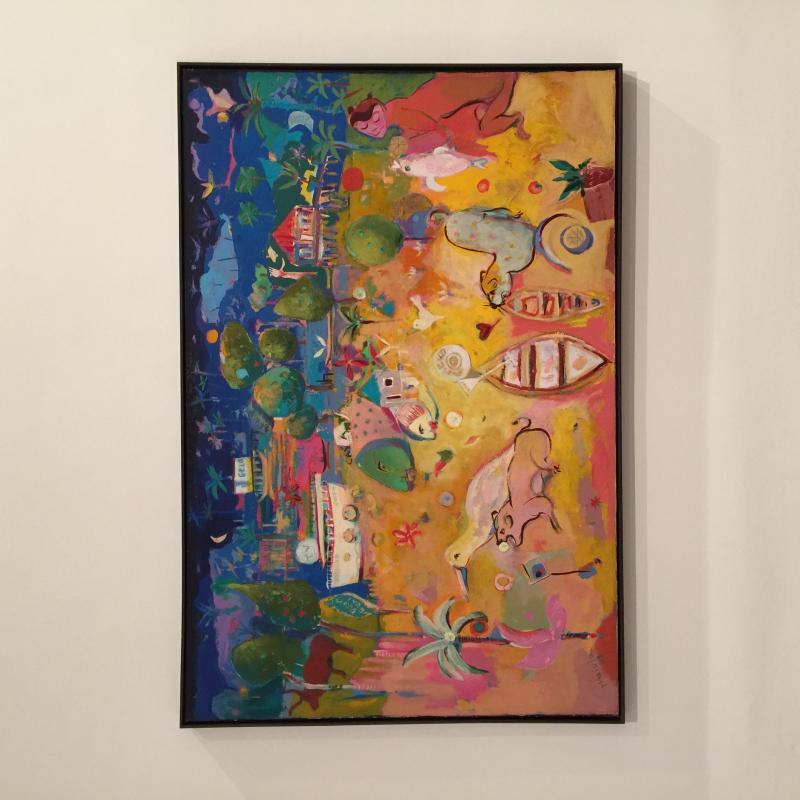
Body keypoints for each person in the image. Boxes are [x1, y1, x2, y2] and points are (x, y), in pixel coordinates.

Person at [348, 72, 529, 155]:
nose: (372, 129)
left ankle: (515, 114)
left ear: (378, 109)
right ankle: (512, 112)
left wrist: (410, 145)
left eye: (372, 121)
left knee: (484, 127)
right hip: (460, 95)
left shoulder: (399, 112)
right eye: (364, 129)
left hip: (469, 90)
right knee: (480, 122)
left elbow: (440, 133)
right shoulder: (397, 110)